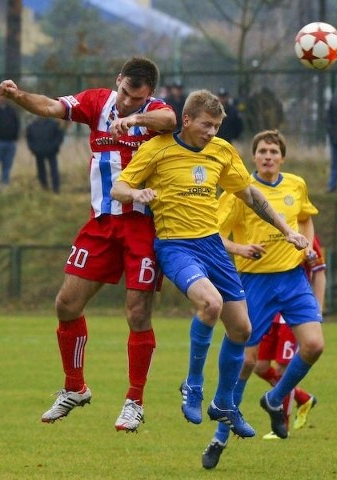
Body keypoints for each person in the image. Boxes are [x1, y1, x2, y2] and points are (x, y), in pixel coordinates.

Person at [110, 93, 308, 442]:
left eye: (217, 126)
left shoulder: (221, 151)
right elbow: (119, 186)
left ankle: (224, 403)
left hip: (213, 246)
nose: (212, 132)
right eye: (206, 124)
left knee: (242, 330)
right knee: (210, 304)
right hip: (176, 246)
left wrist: (288, 231)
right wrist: (135, 195)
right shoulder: (157, 148)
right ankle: (194, 385)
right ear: (186, 120)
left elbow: (252, 196)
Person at [0, 56, 177, 432]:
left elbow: (170, 121)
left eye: (136, 97)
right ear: (118, 81)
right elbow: (50, 106)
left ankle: (134, 401)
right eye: (125, 93)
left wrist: (135, 119)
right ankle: (75, 387)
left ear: (150, 94)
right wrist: (17, 96)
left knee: (137, 313)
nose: (127, 102)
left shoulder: (155, 112)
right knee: (66, 304)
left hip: (142, 225)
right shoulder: (97, 102)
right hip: (101, 223)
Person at [201, 129, 324, 469]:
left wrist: (308, 245)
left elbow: (305, 220)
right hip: (253, 283)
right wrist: (242, 248)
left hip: (293, 279)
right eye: (262, 151)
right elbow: (212, 235)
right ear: (253, 158)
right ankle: (219, 438)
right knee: (246, 363)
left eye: (273, 151)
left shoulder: (296, 185)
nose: (268, 156)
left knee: (314, 345)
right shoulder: (238, 193)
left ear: (282, 157)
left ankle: (274, 398)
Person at [254, 234, 326, 439]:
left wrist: (317, 309)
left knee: (284, 367)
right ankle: (302, 397)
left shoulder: (304, 235)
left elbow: (320, 271)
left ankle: (281, 424)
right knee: (261, 367)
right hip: (269, 311)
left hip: (292, 315)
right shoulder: (263, 229)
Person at [26, 116, 65, 193]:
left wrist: (54, 146)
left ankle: (56, 189)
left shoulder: (53, 124)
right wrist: (34, 149)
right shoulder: (32, 125)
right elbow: (29, 138)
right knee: (41, 171)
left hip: (51, 152)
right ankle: (44, 187)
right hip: (39, 152)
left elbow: (59, 136)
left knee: (54, 170)